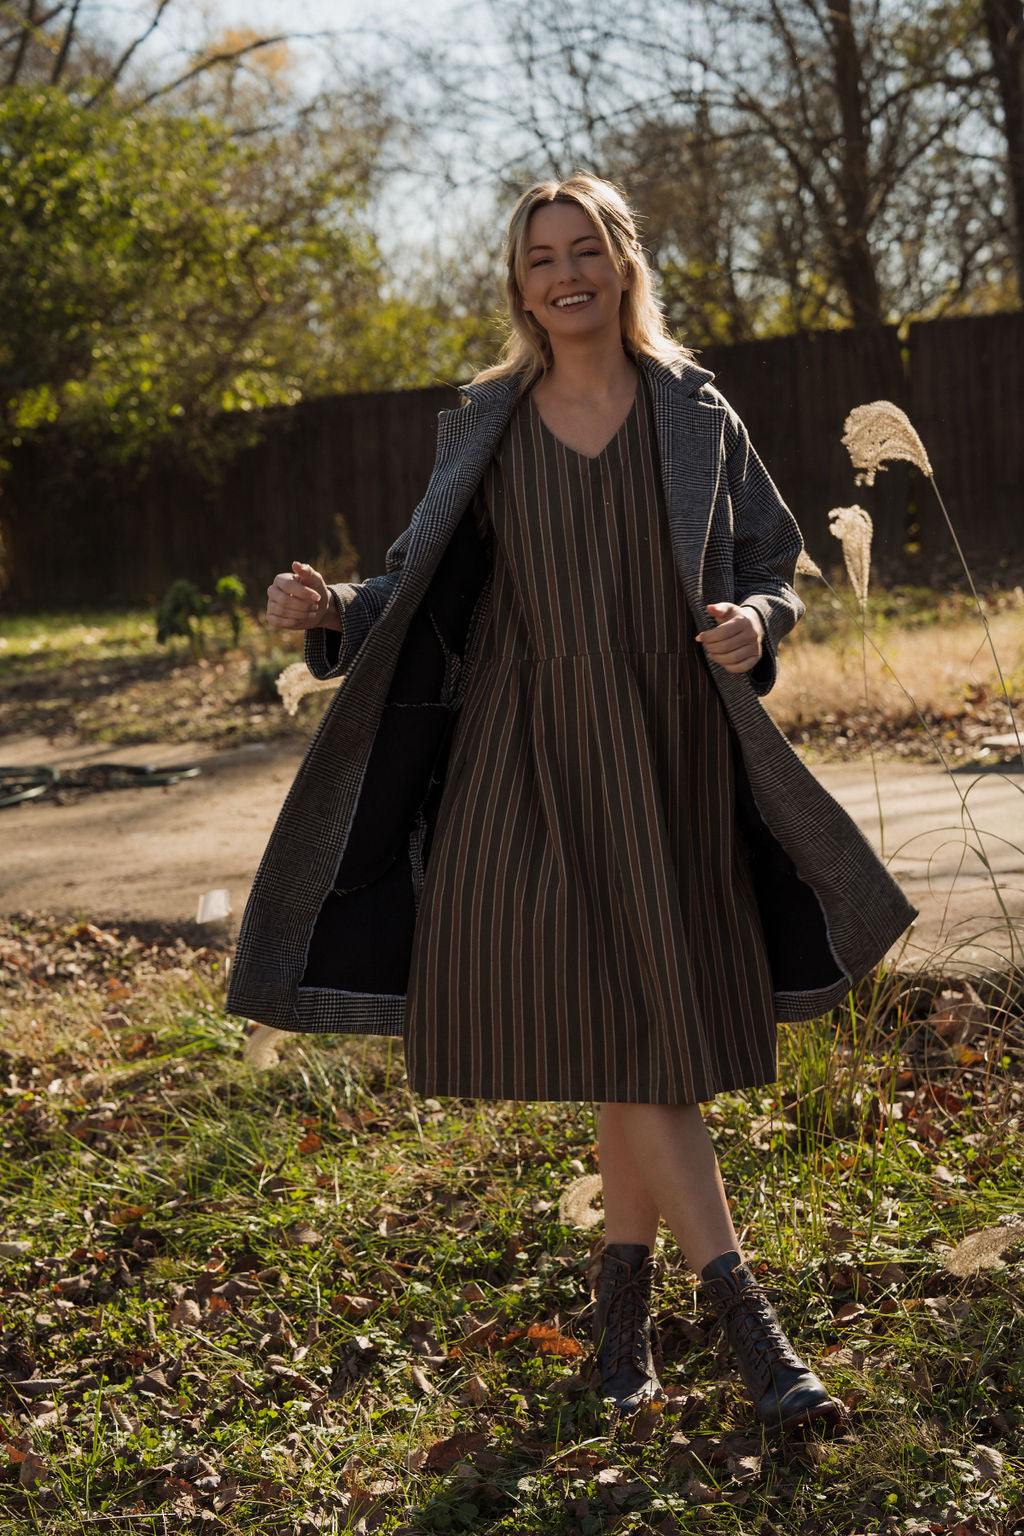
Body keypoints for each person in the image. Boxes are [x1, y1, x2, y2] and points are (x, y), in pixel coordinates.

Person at [232, 173, 915, 1433]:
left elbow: (774, 564)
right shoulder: (484, 422)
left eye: (583, 248)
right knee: (634, 1025)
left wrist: (751, 620)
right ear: (520, 284)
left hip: (667, 754)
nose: (564, 273)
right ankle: (746, 1324)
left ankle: (619, 1332)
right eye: (540, 256)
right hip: (522, 758)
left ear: (620, 262)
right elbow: (418, 581)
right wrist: (335, 613)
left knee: (633, 1029)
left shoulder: (692, 410)